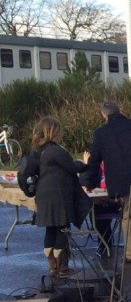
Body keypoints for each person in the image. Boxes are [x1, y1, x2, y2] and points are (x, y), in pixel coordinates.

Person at [81, 100, 131, 263]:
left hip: (121, 182)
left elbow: (94, 161)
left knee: (128, 216)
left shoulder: (101, 133)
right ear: (120, 111)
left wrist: (89, 183)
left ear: (103, 115)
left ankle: (130, 252)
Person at [31, 117, 90, 278]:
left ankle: (53, 267)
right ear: (54, 131)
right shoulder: (56, 150)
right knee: (63, 228)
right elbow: (71, 167)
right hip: (58, 194)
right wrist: (84, 163)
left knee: (51, 229)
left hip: (43, 194)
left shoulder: (39, 150)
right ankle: (63, 268)